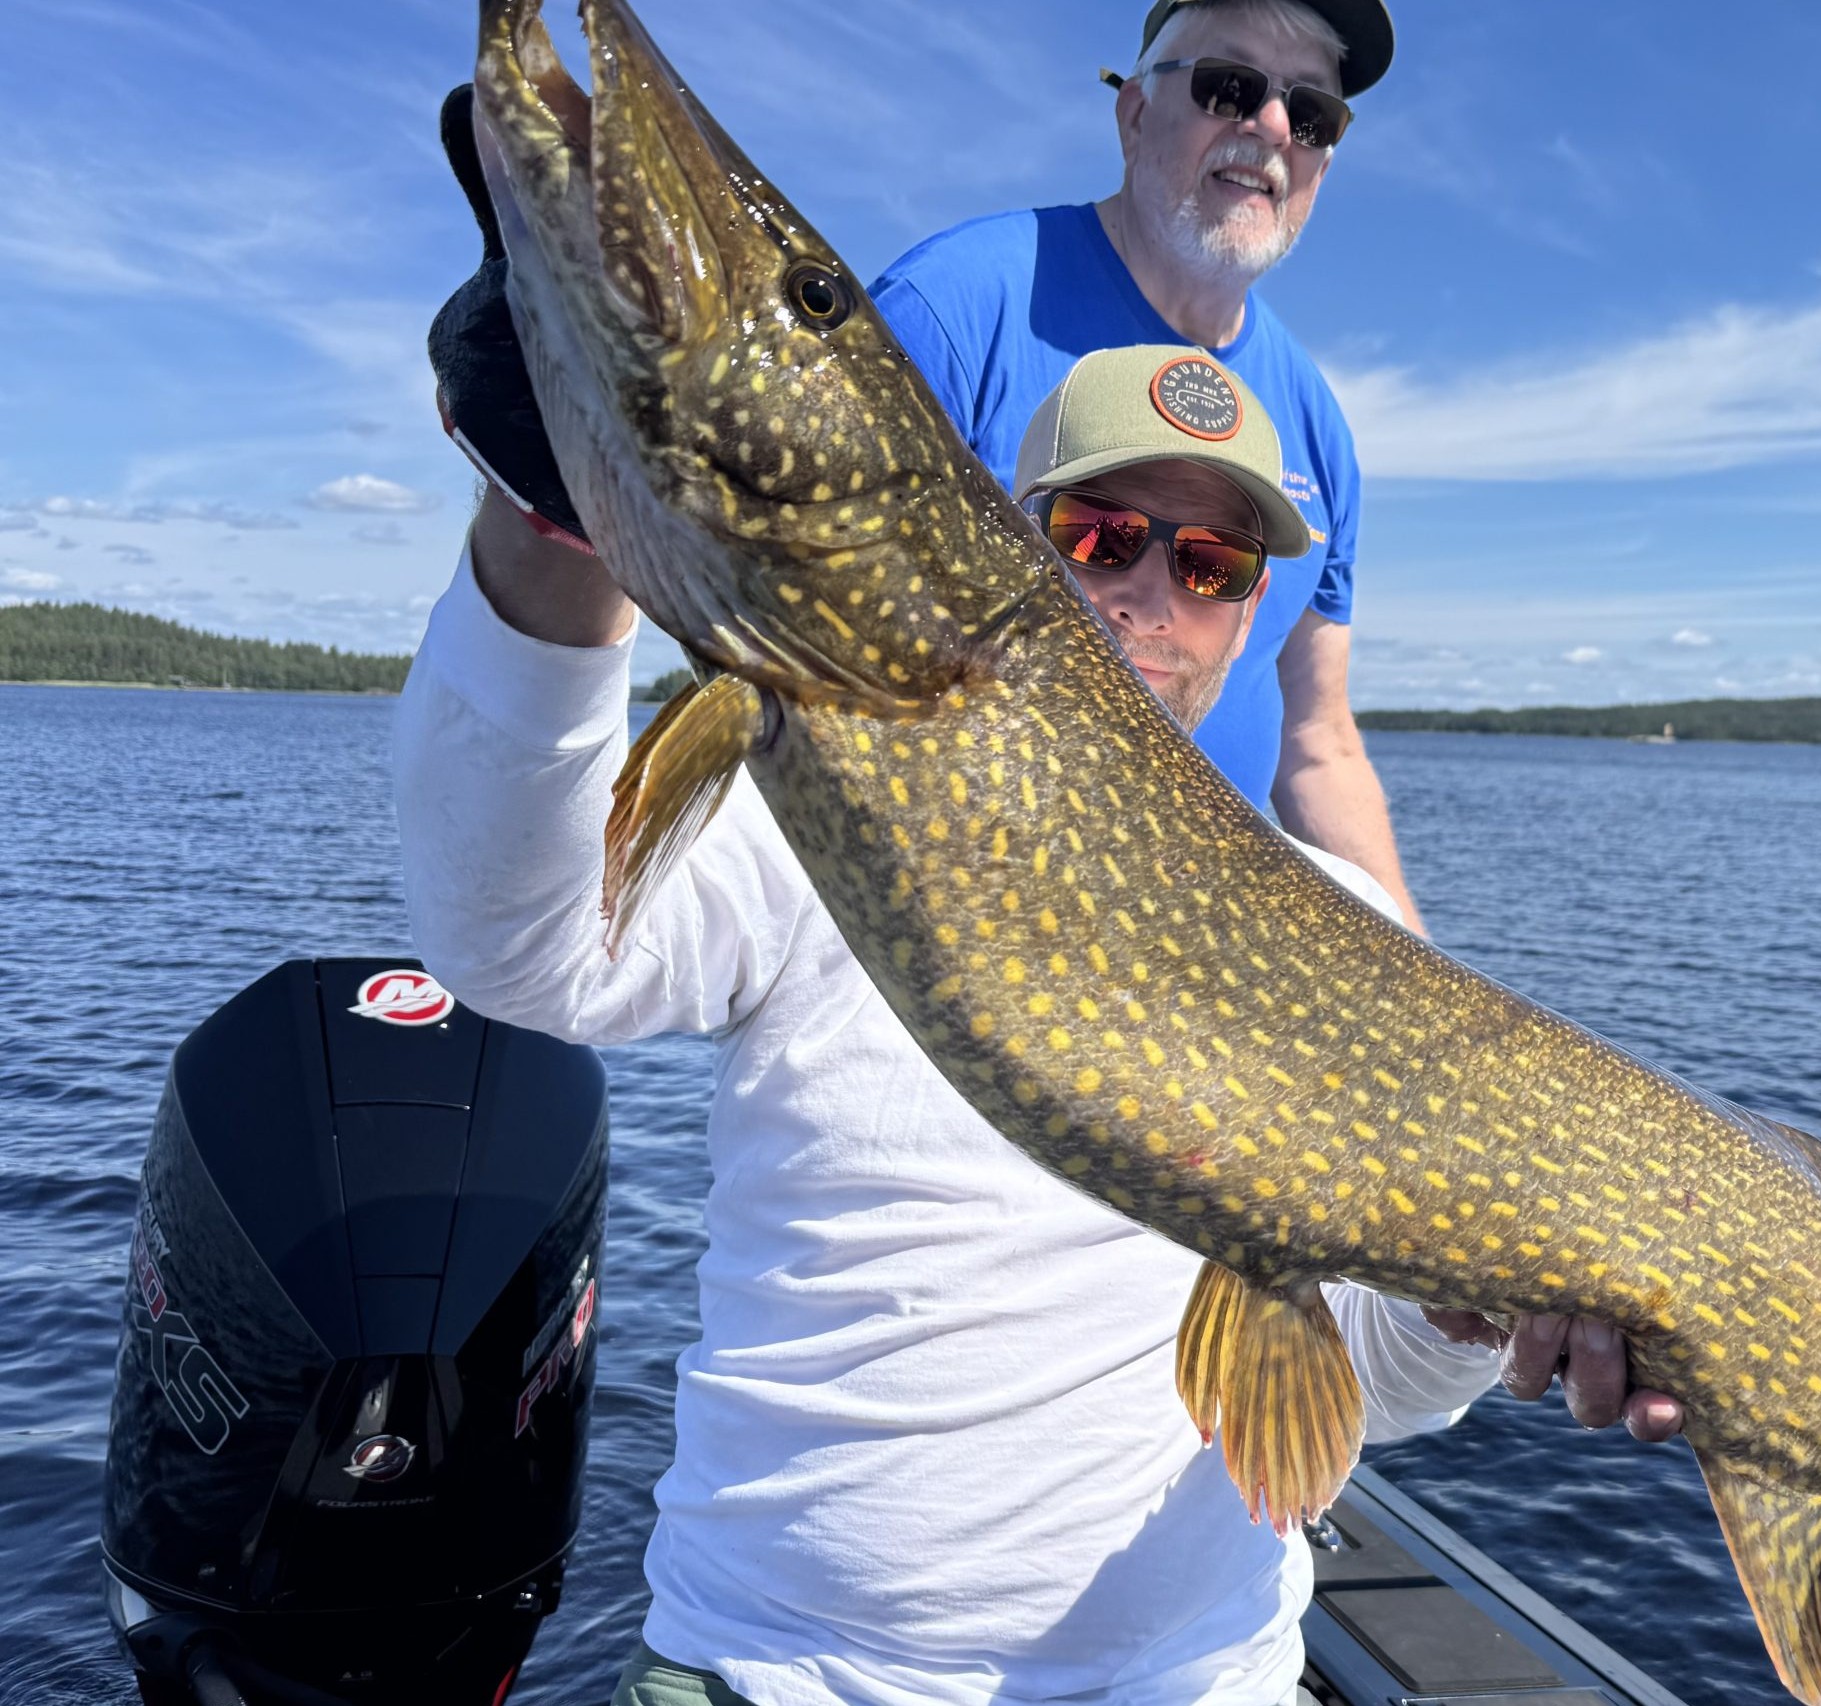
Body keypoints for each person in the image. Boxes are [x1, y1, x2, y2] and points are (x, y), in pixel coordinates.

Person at [396, 344, 1681, 1706]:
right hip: (778, 1673)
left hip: (1197, 1682)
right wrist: (552, 523)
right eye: (1106, 532)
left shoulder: (1339, 919)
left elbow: (1366, 1382)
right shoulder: (828, 792)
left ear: (1246, 615)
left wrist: (1459, 1313)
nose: (1151, 592)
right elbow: (521, 945)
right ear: (1014, 543)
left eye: (1209, 565)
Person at [866, 0, 1422, 931]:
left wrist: (1433, 1002)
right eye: (1229, 88)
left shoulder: (1318, 427)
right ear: (1132, 115)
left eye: (1312, 114)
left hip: (1201, 966)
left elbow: (1316, 741)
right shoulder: (954, 308)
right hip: (960, 918)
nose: (1273, 129)